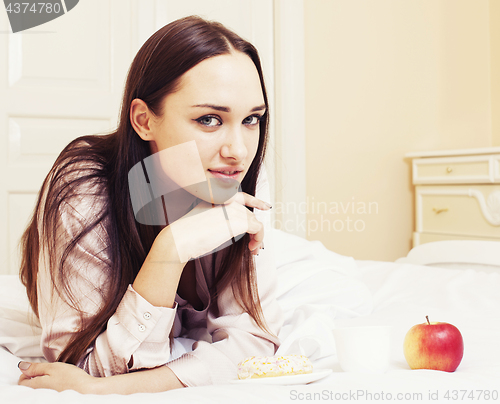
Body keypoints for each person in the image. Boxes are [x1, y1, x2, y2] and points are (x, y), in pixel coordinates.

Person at [16, 15, 283, 394]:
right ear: (144, 121)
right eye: (209, 119)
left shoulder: (238, 174)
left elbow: (254, 347)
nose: (238, 151)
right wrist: (171, 250)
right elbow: (81, 361)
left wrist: (104, 392)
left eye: (252, 119)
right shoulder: (84, 188)